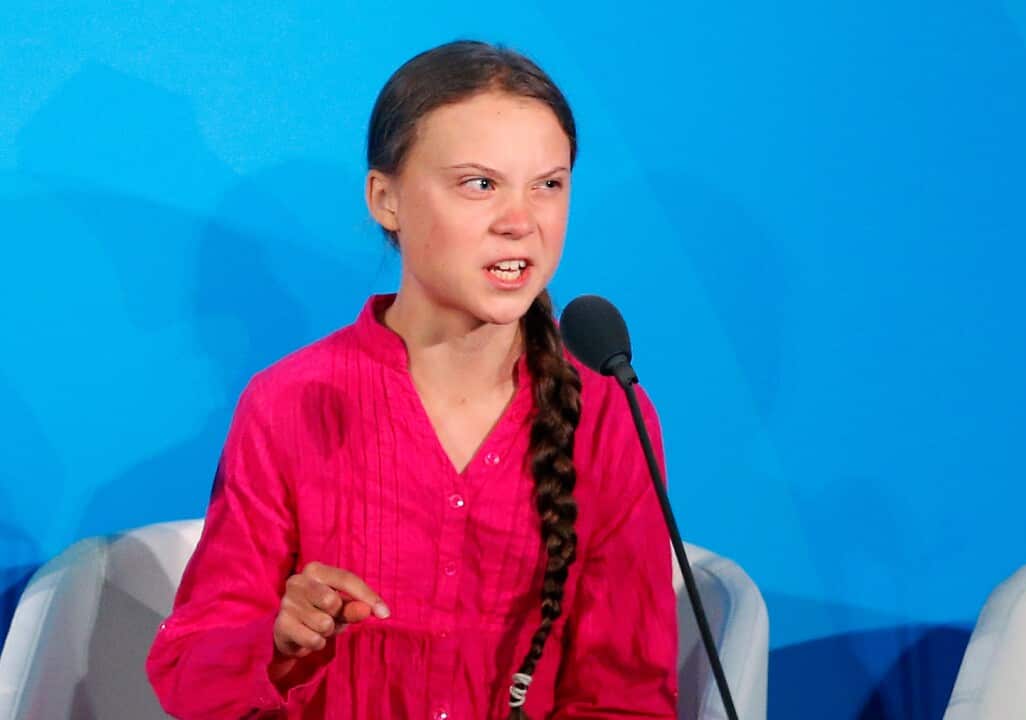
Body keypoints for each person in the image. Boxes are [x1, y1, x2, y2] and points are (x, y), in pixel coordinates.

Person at [146, 40, 678, 719]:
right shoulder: (287, 402)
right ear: (385, 198)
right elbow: (189, 673)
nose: (521, 222)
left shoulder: (608, 415)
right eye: (479, 184)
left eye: (548, 184)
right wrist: (277, 643)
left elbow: (626, 697)